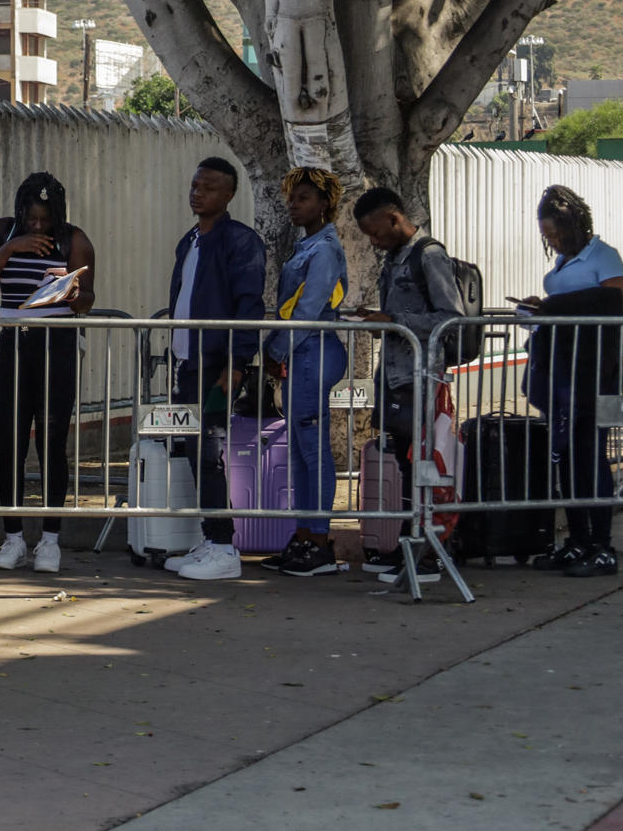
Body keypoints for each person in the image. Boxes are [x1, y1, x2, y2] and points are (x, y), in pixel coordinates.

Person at [0, 172, 97, 574]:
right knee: (9, 443)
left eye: (45, 219)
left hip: (55, 347)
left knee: (53, 444)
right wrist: (12, 248)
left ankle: (51, 542)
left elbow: (88, 298)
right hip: (14, 343)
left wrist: (72, 292)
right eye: (31, 218)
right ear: (19, 211)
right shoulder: (2, 231)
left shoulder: (74, 239)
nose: (38, 226)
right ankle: (13, 538)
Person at [160, 157, 266, 581]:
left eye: (208, 187)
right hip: (189, 360)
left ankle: (224, 547)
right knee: (193, 449)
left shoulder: (240, 241)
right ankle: (210, 536)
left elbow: (248, 305)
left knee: (209, 450)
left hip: (217, 363)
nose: (197, 193)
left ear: (228, 196)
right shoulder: (190, 239)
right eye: (195, 184)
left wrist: (236, 363)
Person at [519, 184, 623, 577]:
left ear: (574, 225)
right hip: (563, 369)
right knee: (566, 456)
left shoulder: (603, 256)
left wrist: (553, 306)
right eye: (546, 235)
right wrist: (542, 306)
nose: (551, 241)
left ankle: (602, 547)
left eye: (556, 233)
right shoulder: (565, 262)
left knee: (590, 456)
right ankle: (578, 541)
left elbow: (618, 305)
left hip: (595, 372)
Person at [353, 187, 465, 583]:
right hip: (396, 375)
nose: (373, 241)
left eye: (376, 232)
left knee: (423, 465)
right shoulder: (394, 258)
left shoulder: (429, 255)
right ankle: (409, 544)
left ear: (394, 219)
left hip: (423, 376)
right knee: (404, 463)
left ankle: (427, 552)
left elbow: (451, 317)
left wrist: (394, 319)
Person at [259, 169, 349, 579]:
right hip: (300, 352)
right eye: (292, 198)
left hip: (311, 350)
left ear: (325, 203)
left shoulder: (325, 248)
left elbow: (310, 310)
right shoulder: (306, 244)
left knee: (313, 449)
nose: (294, 205)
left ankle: (320, 541)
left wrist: (276, 349)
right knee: (299, 450)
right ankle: (303, 536)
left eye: (304, 198)